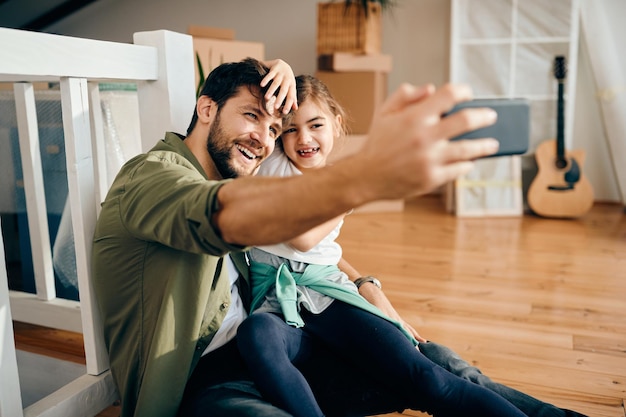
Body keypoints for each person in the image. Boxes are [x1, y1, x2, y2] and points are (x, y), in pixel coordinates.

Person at [91, 57, 586, 417]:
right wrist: (365, 178)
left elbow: (290, 250)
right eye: (249, 117)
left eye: (272, 127)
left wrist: (364, 282)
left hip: (292, 348)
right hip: (215, 382)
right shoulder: (153, 177)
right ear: (205, 109)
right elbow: (217, 217)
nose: (264, 139)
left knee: (438, 363)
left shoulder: (235, 175)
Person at [237, 74, 528, 417]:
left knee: (430, 378)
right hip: (274, 302)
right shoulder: (276, 167)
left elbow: (324, 251)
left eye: (316, 125)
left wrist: (365, 283)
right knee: (256, 333)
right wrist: (357, 192)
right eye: (290, 129)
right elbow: (302, 239)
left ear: (337, 124)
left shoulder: (342, 179)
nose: (303, 138)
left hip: (330, 294)